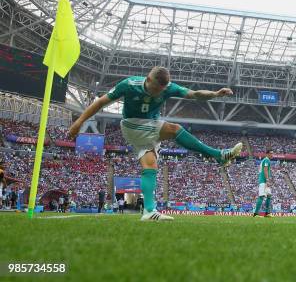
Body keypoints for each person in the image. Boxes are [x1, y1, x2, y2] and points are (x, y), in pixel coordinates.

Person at [69, 66, 243, 221]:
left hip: (147, 129)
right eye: (154, 89)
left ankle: (149, 211)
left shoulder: (167, 88)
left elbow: (194, 94)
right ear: (148, 79)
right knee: (174, 129)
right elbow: (100, 102)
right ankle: (218, 155)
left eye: (160, 91)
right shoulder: (129, 84)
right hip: (132, 124)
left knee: (150, 166)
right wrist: (79, 122)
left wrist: (215, 94)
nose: (156, 93)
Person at [253, 148, 273, 217]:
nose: (272, 155)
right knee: (261, 196)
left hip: (265, 181)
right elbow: (265, 170)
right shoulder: (266, 160)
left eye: (272, 153)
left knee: (269, 195)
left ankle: (267, 213)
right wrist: (267, 180)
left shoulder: (265, 160)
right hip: (263, 181)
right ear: (267, 154)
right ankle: (255, 214)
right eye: (271, 153)